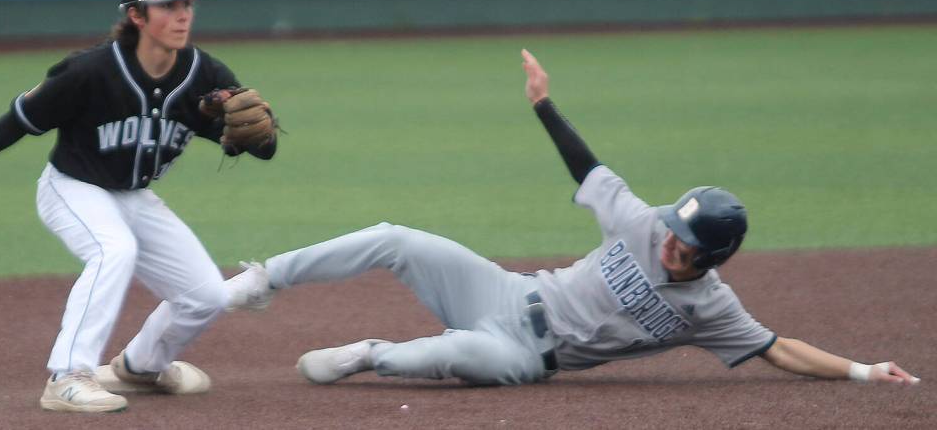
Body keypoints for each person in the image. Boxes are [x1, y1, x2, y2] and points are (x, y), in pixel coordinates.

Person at [224, 49, 920, 387]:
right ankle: (266, 278)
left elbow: (778, 345)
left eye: (685, 244)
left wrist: (861, 369)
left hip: (529, 357)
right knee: (393, 237)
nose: (669, 243)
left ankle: (370, 353)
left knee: (459, 354)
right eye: (673, 232)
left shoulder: (711, 307)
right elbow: (587, 169)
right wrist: (542, 104)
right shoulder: (645, 221)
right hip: (502, 290)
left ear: (713, 257)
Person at [0, 0, 277, 413]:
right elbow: (23, 118)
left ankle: (141, 367)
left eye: (186, 3)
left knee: (204, 295)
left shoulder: (203, 73)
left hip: (135, 196)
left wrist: (257, 135)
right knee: (114, 250)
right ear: (136, 16)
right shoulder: (91, 70)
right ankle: (67, 375)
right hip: (72, 188)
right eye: (167, 6)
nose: (183, 14)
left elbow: (257, 147)